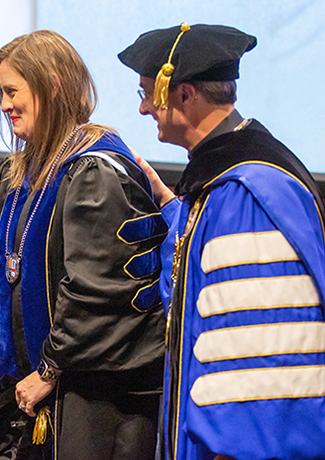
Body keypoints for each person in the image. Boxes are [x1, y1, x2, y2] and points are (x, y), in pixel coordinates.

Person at [0, 30, 168, 459]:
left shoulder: (94, 172)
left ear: (52, 84)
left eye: (12, 90)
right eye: (1, 92)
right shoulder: (19, 174)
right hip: (36, 391)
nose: (3, 105)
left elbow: (99, 291)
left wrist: (49, 369)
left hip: (91, 401)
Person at [118, 23, 325, 460]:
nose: (142, 110)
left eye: (146, 94)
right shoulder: (227, 182)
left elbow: (261, 355)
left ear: (184, 95)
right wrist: (175, 210)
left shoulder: (245, 196)